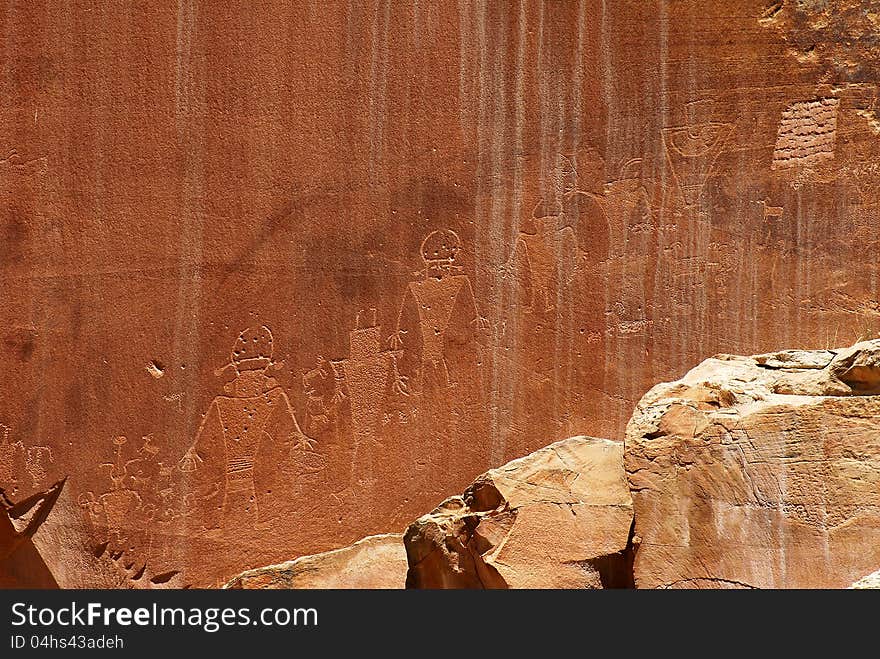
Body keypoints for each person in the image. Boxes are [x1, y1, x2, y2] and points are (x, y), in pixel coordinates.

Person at [179, 326, 314, 532]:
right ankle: (240, 518)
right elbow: (290, 420)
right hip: (244, 461)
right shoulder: (272, 396)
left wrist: (192, 451)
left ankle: (236, 518)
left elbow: (203, 430)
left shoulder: (226, 402)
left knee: (240, 477)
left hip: (248, 462)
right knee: (239, 477)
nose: (252, 382)